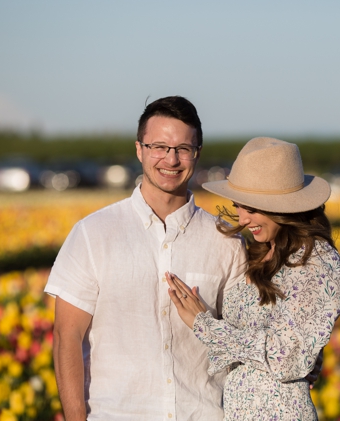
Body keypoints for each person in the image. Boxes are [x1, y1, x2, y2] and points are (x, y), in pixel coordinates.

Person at [46, 96, 247, 420]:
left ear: (197, 154)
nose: (171, 159)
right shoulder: (93, 233)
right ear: (139, 149)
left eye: (183, 148)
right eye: (159, 146)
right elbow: (66, 336)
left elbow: (241, 337)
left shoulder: (226, 241)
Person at [166, 137, 340, 419]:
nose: (242, 219)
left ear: (284, 206)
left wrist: (205, 326)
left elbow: (288, 358)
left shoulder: (319, 263)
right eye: (238, 205)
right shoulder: (262, 253)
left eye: (252, 208)